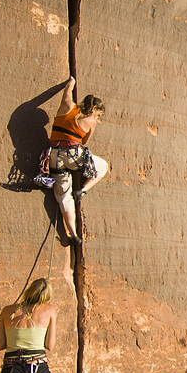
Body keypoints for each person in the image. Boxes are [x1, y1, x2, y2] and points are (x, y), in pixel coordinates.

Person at [47, 75, 109, 245]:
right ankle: (82, 190)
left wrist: (71, 82)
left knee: (62, 195)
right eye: (98, 115)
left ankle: (72, 234)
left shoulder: (67, 106)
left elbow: (67, 91)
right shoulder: (90, 121)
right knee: (103, 166)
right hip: (73, 155)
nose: (97, 118)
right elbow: (84, 142)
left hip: (53, 155)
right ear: (95, 110)